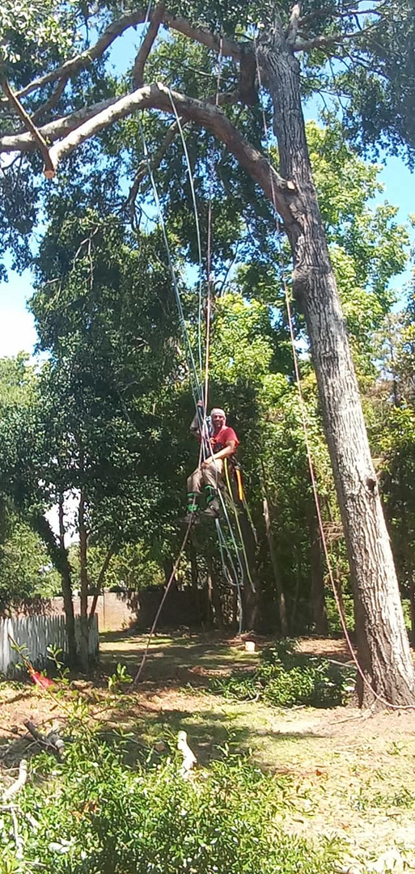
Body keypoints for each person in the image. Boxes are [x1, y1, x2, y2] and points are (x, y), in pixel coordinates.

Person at [185, 401, 239, 522]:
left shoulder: (227, 431)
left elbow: (231, 448)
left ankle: (214, 506)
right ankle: (192, 512)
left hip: (222, 462)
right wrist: (199, 411)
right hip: (209, 464)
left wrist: (211, 459)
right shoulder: (208, 433)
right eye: (215, 417)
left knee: (209, 469)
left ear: (224, 419)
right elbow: (193, 429)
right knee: (192, 479)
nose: (218, 419)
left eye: (220, 417)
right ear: (212, 419)